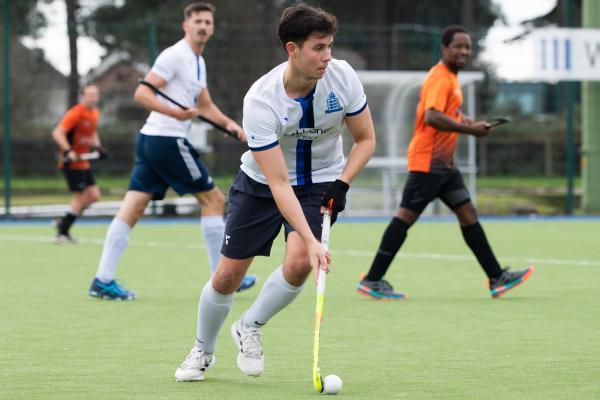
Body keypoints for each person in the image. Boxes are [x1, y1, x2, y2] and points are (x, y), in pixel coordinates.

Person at [174, 3, 376, 382]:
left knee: (300, 263)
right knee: (228, 276)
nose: (327, 56)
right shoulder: (261, 100)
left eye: (330, 46)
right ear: (292, 49)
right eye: (318, 47)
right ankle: (202, 349)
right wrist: (314, 240)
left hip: (322, 180)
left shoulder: (343, 77)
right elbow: (280, 183)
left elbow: (365, 140)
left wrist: (343, 183)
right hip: (262, 184)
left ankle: (249, 326)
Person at [88, 2, 256, 300]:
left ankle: (102, 280)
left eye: (208, 22)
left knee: (133, 208)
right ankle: (225, 277)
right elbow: (142, 92)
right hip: (165, 140)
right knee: (214, 200)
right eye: (198, 21)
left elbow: (204, 106)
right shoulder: (175, 55)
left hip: (152, 140)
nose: (204, 26)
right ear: (186, 25)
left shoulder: (197, 62)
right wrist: (175, 113)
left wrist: (232, 126)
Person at [356, 26, 534, 301]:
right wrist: (471, 131)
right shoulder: (440, 78)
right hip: (428, 162)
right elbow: (432, 117)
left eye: (467, 47)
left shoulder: (451, 79)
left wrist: (471, 124)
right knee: (405, 217)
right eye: (458, 47)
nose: (464, 51)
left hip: (445, 166)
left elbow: (450, 115)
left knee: (468, 215)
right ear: (444, 49)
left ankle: (496, 277)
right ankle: (373, 279)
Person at [52, 84, 106, 244]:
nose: (93, 98)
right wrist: (68, 150)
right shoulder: (75, 113)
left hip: (84, 162)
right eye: (89, 95)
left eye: (95, 95)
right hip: (71, 163)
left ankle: (65, 220)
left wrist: (99, 146)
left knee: (94, 196)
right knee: (80, 196)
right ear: (82, 96)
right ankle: (63, 232)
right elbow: (57, 133)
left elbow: (92, 132)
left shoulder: (95, 113)